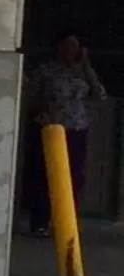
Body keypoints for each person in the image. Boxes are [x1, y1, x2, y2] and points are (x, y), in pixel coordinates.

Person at [27, 33, 108, 235]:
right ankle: (40, 221)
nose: (70, 51)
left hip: (76, 129)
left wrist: (86, 66)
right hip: (51, 128)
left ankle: (66, 223)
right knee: (44, 175)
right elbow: (31, 97)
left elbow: (100, 95)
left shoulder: (82, 73)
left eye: (74, 47)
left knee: (74, 176)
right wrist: (39, 115)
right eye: (67, 46)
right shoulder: (47, 71)